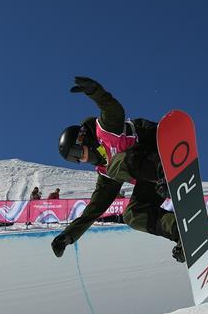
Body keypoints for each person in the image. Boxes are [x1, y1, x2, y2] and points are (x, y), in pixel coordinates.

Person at [51, 76, 184, 263]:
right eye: (78, 159)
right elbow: (94, 209)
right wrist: (67, 236)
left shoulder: (105, 131)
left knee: (115, 165)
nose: (83, 158)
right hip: (155, 178)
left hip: (158, 146)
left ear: (82, 138)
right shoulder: (104, 172)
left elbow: (113, 109)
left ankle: (164, 171)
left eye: (79, 152)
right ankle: (181, 233)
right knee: (133, 214)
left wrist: (94, 91)